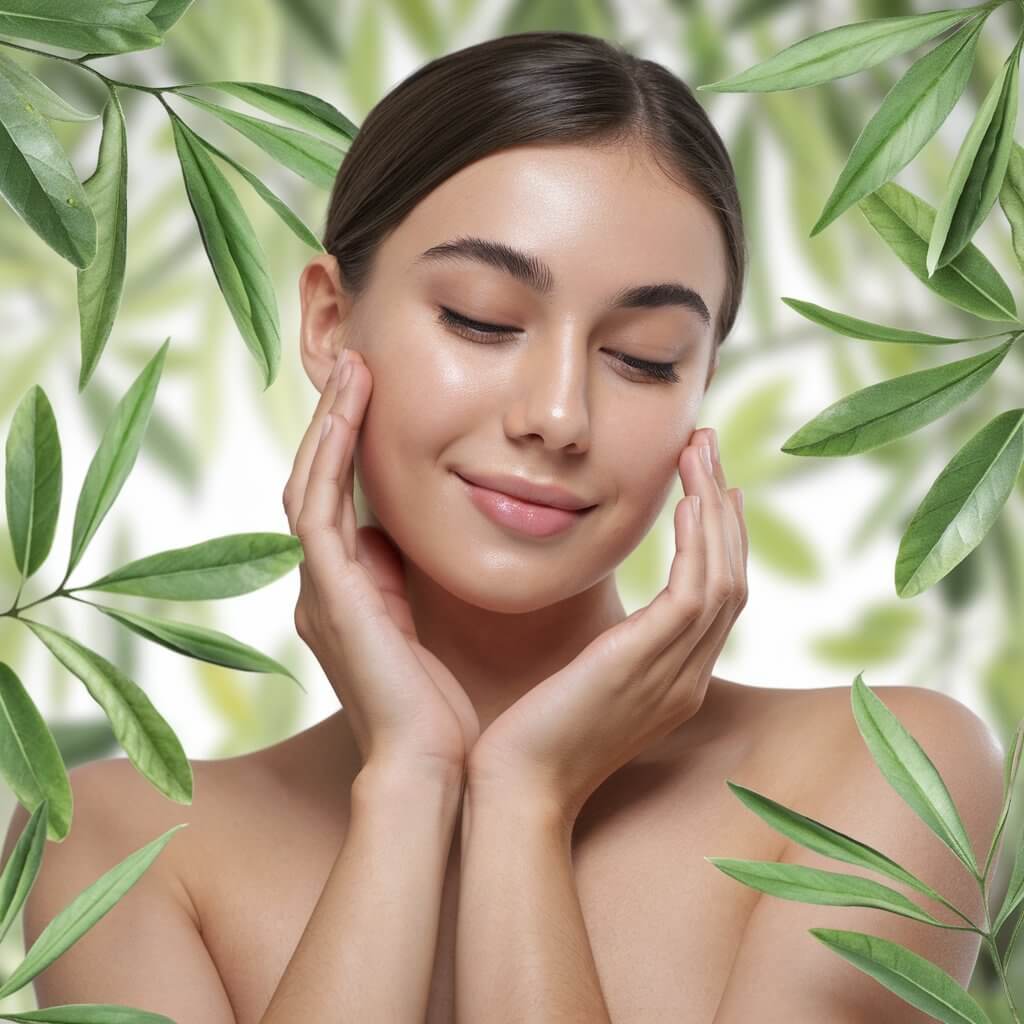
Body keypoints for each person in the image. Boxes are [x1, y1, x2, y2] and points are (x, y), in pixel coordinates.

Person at [3, 29, 1003, 1024]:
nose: (557, 415)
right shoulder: (115, 843)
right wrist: (409, 783)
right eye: (482, 318)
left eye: (646, 358)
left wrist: (524, 800)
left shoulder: (877, 775)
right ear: (326, 322)